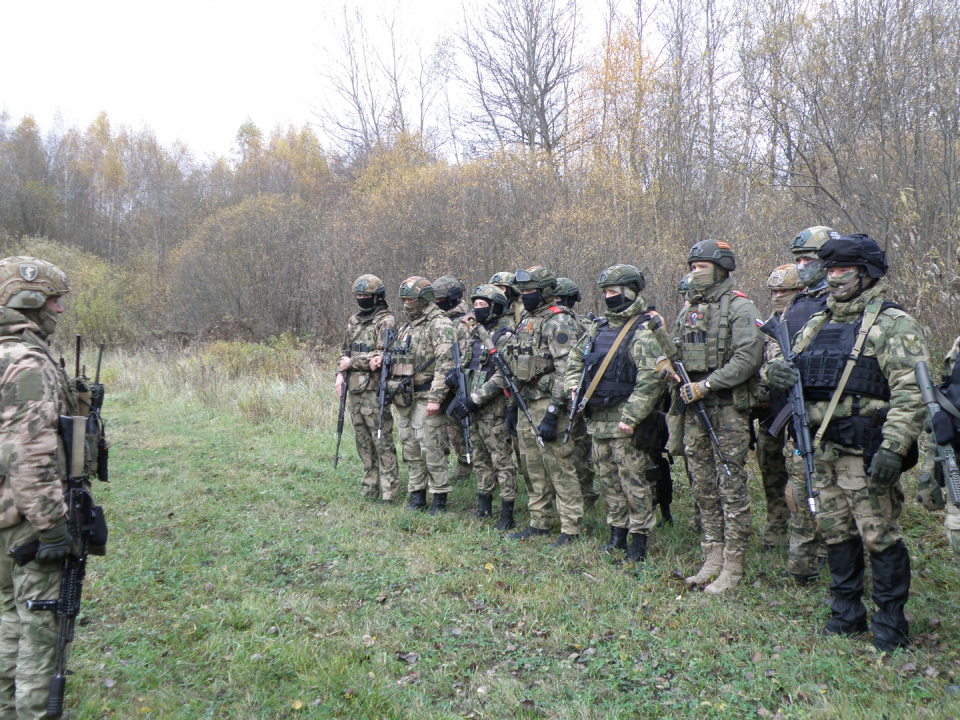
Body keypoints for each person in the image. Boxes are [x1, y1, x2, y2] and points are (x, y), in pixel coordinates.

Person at [765, 233, 928, 651]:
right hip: (820, 450)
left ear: (867, 273)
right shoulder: (819, 322)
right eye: (830, 270)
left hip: (864, 451)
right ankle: (846, 613)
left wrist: (893, 447)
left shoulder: (893, 324)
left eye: (844, 270)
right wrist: (776, 375)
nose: (834, 278)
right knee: (835, 532)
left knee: (878, 535)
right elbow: (791, 367)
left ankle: (890, 623)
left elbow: (912, 392)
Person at [0, 256, 83, 719]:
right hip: (26, 522)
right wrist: (54, 528)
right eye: (54, 300)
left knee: (11, 616)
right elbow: (29, 456)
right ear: (26, 300)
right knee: (39, 628)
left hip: (6, 514)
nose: (59, 310)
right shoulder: (26, 362)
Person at [666, 239, 764, 594]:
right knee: (703, 485)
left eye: (701, 266)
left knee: (731, 485)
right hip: (694, 412)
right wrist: (666, 364)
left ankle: (734, 564)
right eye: (691, 267)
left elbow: (747, 358)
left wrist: (706, 385)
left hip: (726, 412)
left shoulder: (740, 306)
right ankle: (712, 555)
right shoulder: (688, 310)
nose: (694, 273)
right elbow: (676, 350)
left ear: (721, 267)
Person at [564, 265, 667, 562]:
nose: (608, 297)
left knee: (634, 481)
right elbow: (575, 361)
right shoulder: (597, 329)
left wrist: (631, 417)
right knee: (608, 479)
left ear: (630, 291)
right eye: (605, 292)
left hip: (625, 421)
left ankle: (639, 539)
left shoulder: (642, 330)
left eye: (613, 292)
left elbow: (651, 378)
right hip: (598, 419)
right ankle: (617, 533)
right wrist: (574, 389)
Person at [503, 266, 585, 546]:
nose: (525, 296)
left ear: (547, 292)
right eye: (522, 292)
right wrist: (513, 405)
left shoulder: (558, 322)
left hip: (551, 403)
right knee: (531, 466)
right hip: (527, 402)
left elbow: (568, 369)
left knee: (559, 465)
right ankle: (539, 522)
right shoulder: (526, 320)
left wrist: (554, 412)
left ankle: (571, 528)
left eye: (531, 291)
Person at [776, 226, 838, 582]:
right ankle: (801, 567)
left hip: (837, 416)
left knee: (837, 497)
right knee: (797, 492)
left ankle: (841, 562)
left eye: (808, 260)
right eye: (798, 260)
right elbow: (775, 349)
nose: (801, 266)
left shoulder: (844, 304)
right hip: (798, 415)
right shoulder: (796, 306)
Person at [447, 284, 519, 529]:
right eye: (475, 305)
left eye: (482, 305)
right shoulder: (474, 335)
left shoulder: (505, 336)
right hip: (472, 408)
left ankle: (507, 511)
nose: (477, 309)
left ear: (495, 307)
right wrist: (455, 378)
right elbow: (468, 365)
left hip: (492, 409)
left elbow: (503, 376)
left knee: (502, 460)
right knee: (479, 458)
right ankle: (483, 504)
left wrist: (475, 398)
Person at [389, 277, 455, 514]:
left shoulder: (439, 324)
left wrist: (436, 398)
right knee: (410, 446)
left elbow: (446, 363)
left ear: (424, 299)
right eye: (404, 300)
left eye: (411, 299)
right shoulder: (409, 326)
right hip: (406, 396)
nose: (407, 304)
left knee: (432, 448)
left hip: (427, 394)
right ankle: (417, 496)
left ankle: (439, 498)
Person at [336, 274, 400, 502]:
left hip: (375, 392)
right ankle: (369, 488)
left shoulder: (387, 321)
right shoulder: (354, 321)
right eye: (359, 295)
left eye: (366, 296)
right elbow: (344, 352)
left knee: (382, 441)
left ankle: (390, 491)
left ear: (377, 297)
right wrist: (339, 375)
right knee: (362, 442)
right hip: (354, 389)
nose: (361, 299)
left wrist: (353, 363)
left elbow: (383, 356)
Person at [754, 264, 804, 551]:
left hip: (800, 408)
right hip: (771, 410)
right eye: (773, 291)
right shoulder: (768, 325)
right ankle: (776, 525)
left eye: (783, 291)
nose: (777, 295)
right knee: (770, 467)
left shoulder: (811, 318)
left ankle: (808, 534)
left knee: (802, 474)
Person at [554, 277, 599, 510]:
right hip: (562, 391)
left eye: (561, 299)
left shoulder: (580, 325)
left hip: (578, 394)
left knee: (581, 448)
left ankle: (588, 495)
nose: (558, 303)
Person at [434, 276, 473, 484]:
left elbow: (466, 354)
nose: (436, 302)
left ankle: (465, 470)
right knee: (440, 432)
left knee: (459, 431)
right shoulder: (438, 321)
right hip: (438, 384)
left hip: (458, 386)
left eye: (440, 298)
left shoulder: (464, 322)